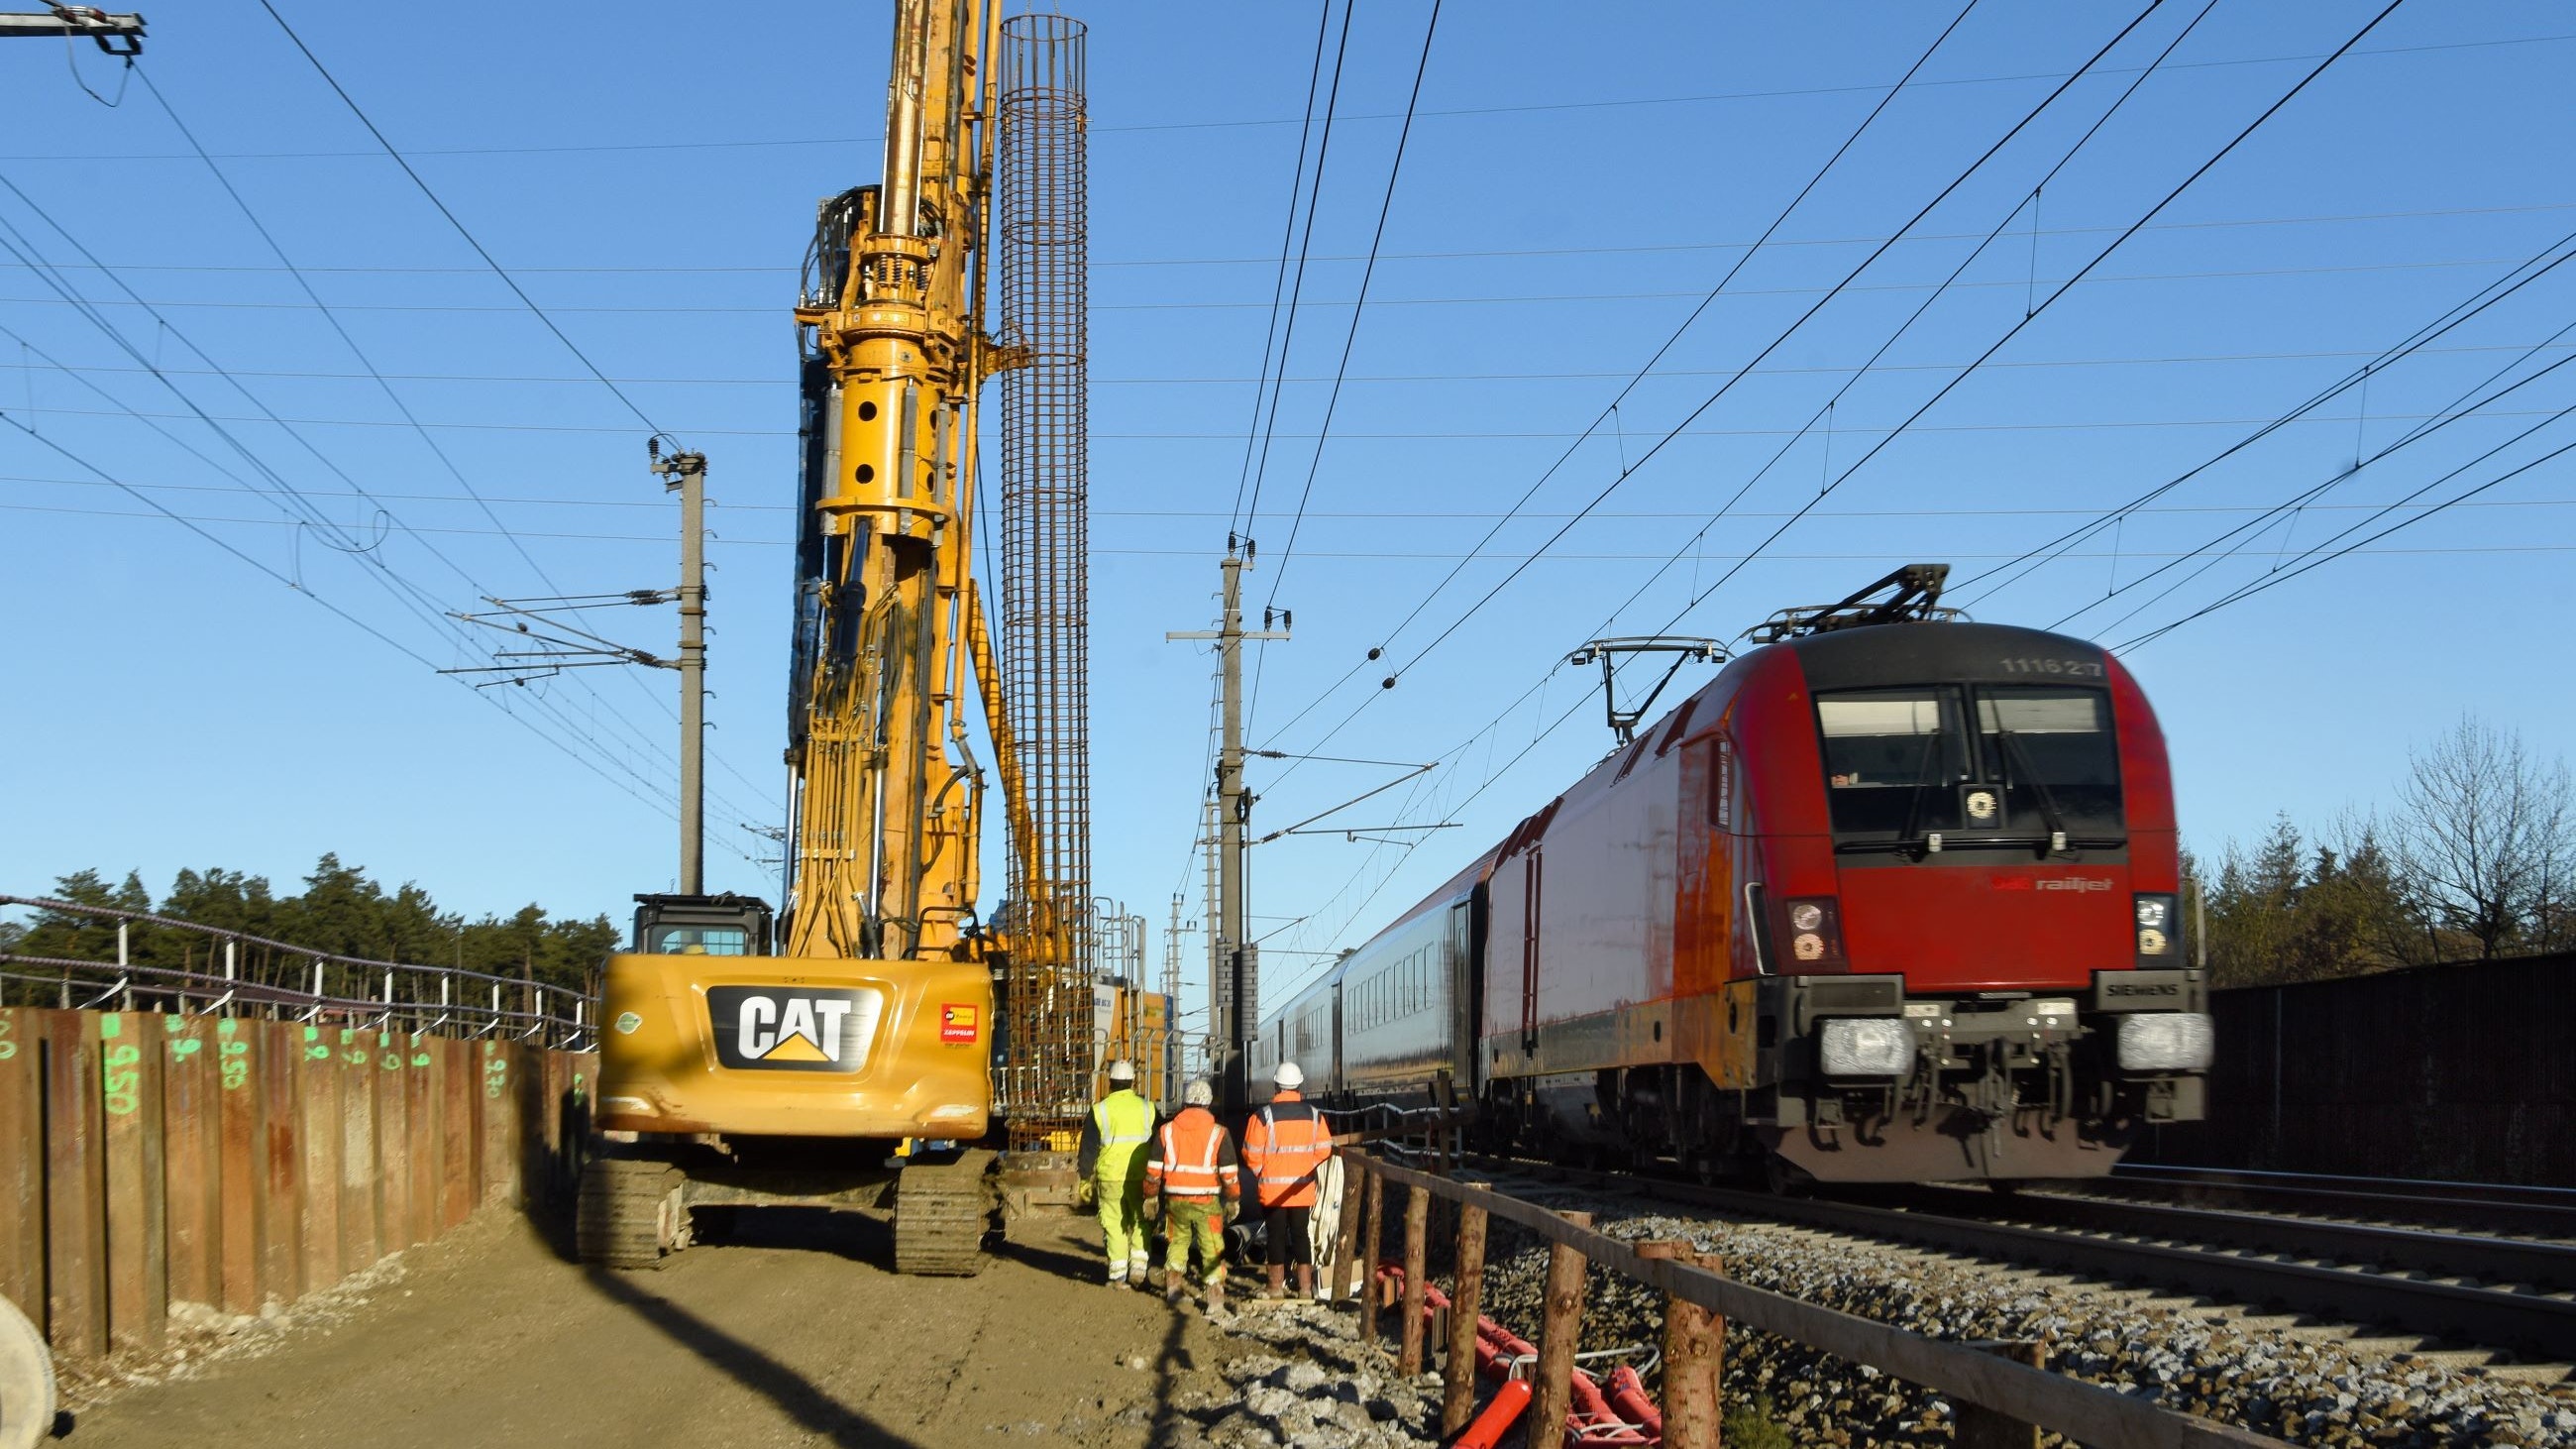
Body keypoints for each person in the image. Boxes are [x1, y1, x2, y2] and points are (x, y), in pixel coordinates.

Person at [1142, 1077, 1239, 1311]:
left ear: (1184, 1103)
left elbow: (1153, 1170)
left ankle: (1174, 1292)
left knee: (1176, 1243)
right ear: (1208, 1104)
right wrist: (1233, 1199)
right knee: (1212, 1248)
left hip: (1175, 1200)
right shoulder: (1219, 1133)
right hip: (1206, 1201)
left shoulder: (1166, 1130)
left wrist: (1150, 1197)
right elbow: (1229, 1173)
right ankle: (1215, 1301)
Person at [1240, 1059, 1334, 1300]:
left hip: (1273, 1192)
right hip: (1301, 1189)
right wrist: (1305, 1166)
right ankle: (1304, 1288)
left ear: (1276, 1085)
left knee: (1276, 1236)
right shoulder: (1314, 1115)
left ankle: (1274, 1288)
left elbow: (1250, 1153)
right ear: (1299, 1085)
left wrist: (1263, 1172)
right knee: (1301, 1234)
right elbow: (1325, 1149)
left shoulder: (1263, 1116)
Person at [1075, 1059, 1157, 1288]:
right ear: (1133, 1082)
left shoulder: (1099, 1110)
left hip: (1110, 1178)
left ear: (1109, 1082)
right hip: (1140, 1177)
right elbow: (1161, 1142)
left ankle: (1118, 1276)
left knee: (1114, 1224)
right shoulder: (1147, 1108)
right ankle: (1139, 1272)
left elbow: (1088, 1148)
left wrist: (1084, 1178)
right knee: (1141, 1222)